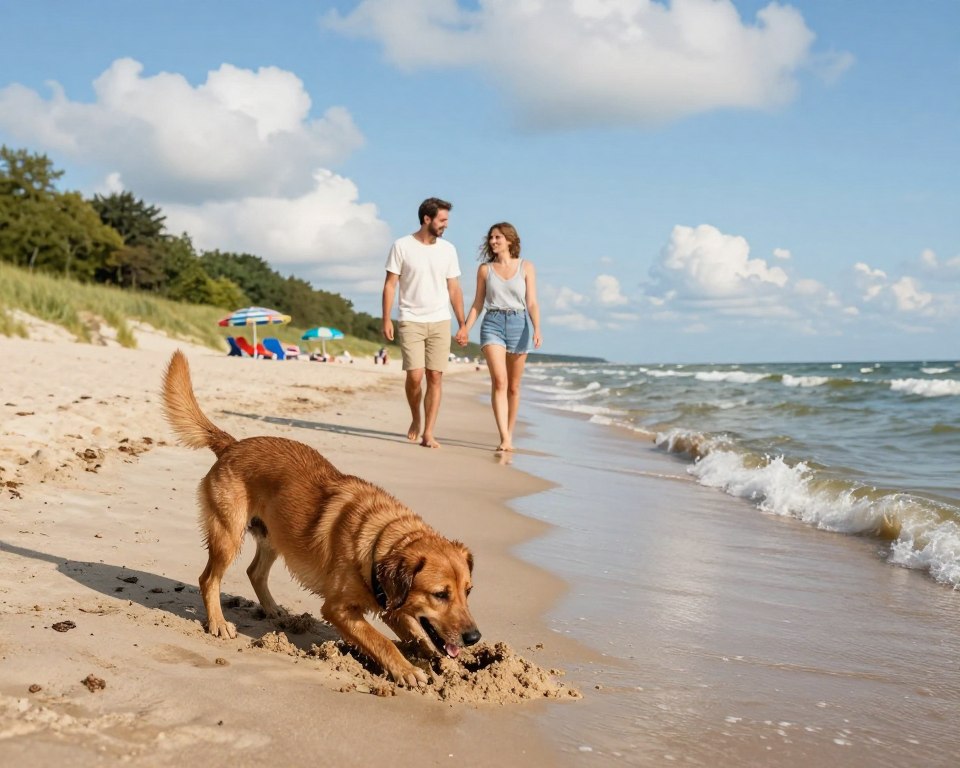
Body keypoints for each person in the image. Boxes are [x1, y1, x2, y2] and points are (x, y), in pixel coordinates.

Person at [382, 197, 466, 448]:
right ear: (427, 219)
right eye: (442, 220)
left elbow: (454, 289)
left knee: (435, 376)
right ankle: (415, 417)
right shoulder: (402, 246)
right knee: (415, 377)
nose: (446, 225)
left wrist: (462, 324)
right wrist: (386, 318)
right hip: (410, 319)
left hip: (440, 320)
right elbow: (390, 285)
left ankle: (429, 432)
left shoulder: (448, 249)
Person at [456, 222, 541, 451]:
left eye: (498, 237)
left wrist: (537, 328)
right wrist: (465, 328)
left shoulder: (526, 267)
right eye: (491, 237)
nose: (493, 241)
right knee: (500, 381)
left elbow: (532, 302)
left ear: (509, 240)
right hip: (492, 324)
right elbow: (478, 303)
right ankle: (504, 437)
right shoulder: (485, 270)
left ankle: (509, 433)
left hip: (519, 324)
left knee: (513, 387)